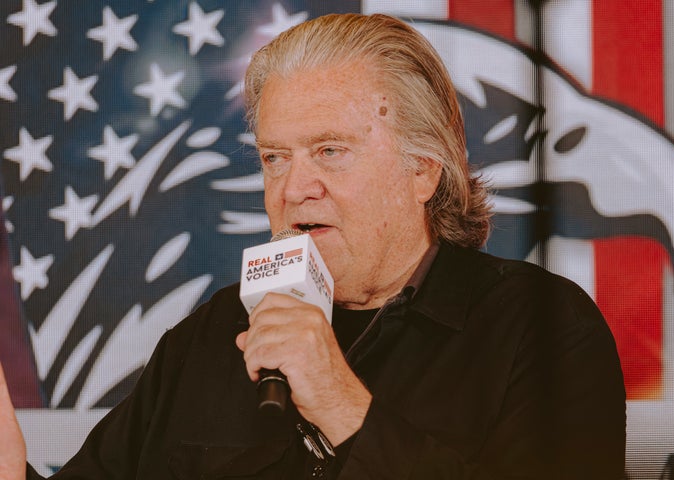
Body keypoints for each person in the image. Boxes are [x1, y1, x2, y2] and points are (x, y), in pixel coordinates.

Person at [0, 12, 625, 480]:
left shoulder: (542, 327)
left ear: (423, 170)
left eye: (330, 150)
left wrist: (339, 402)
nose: (294, 188)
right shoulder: (214, 333)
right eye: (275, 157)